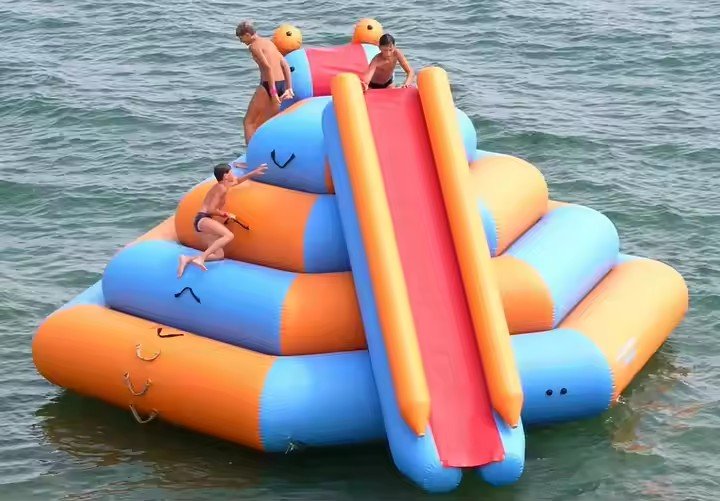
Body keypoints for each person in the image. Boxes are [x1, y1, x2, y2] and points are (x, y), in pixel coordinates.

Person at [177, 162, 268, 277]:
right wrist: (226, 214)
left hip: (205, 221)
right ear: (225, 176)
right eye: (231, 172)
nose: (233, 174)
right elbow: (211, 209)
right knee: (229, 235)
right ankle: (201, 258)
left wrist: (254, 172)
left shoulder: (224, 185)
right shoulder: (221, 188)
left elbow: (238, 181)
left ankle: (187, 258)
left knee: (219, 255)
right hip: (203, 218)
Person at [236, 20, 295, 145]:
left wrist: (273, 93)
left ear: (247, 35)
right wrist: (289, 88)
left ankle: (251, 154)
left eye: (241, 38)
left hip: (269, 85)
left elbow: (267, 68)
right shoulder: (269, 42)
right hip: (282, 84)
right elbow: (285, 64)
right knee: (269, 122)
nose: (242, 42)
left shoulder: (254, 46)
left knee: (248, 122)